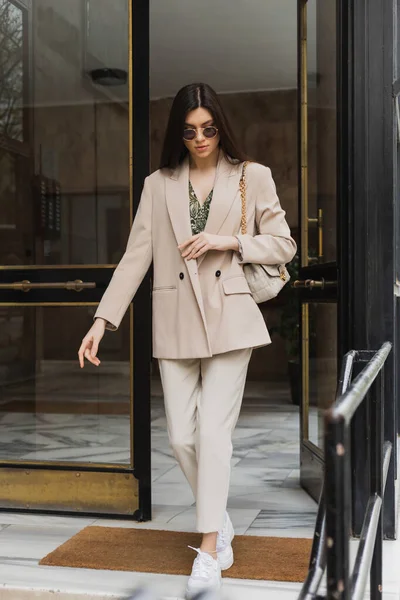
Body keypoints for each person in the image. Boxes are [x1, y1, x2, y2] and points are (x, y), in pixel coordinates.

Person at [78, 83, 297, 599]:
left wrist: (230, 240)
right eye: (190, 130)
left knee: (215, 435)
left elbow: (284, 244)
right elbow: (136, 257)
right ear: (179, 133)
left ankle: (209, 547)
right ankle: (217, 515)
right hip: (175, 321)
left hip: (230, 318)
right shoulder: (159, 185)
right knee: (181, 437)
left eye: (210, 128)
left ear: (222, 126)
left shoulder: (252, 176)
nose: (201, 138)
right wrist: (101, 321)